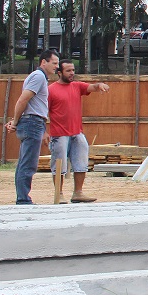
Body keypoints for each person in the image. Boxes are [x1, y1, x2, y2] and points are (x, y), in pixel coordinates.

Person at [48, 61, 110, 203]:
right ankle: (59, 193)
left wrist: (100, 85)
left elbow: (91, 87)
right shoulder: (51, 90)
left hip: (76, 132)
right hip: (59, 134)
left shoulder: (76, 86)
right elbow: (44, 110)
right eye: (68, 71)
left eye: (73, 70)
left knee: (81, 162)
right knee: (59, 165)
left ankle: (78, 192)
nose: (72, 73)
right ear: (59, 73)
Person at [5, 49, 59, 204]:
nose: (56, 66)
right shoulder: (38, 77)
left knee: (25, 162)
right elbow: (23, 100)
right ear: (44, 62)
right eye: (54, 63)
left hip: (32, 122)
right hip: (32, 123)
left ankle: (22, 197)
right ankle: (23, 199)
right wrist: (15, 122)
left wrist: (18, 120)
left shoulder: (38, 77)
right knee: (28, 163)